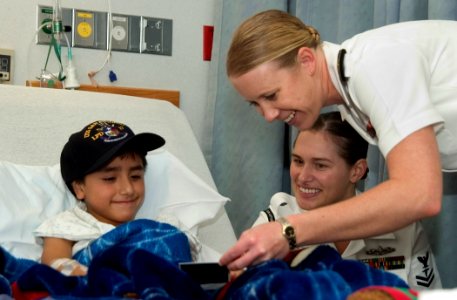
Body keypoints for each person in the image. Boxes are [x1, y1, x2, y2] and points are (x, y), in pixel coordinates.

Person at [219, 9, 457, 271]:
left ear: (307, 60)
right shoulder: (352, 99)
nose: (268, 115)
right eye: (256, 103)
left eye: (272, 95)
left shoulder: (375, 65)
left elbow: (419, 194)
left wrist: (289, 230)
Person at [251, 111, 441, 290]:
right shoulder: (274, 222)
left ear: (356, 171)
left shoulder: (402, 227)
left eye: (320, 165)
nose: (302, 177)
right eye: (298, 161)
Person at [34, 120, 199, 276]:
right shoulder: (67, 225)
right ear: (80, 188)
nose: (127, 189)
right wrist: (96, 278)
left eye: (135, 176)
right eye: (110, 179)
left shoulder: (162, 227)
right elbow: (55, 264)